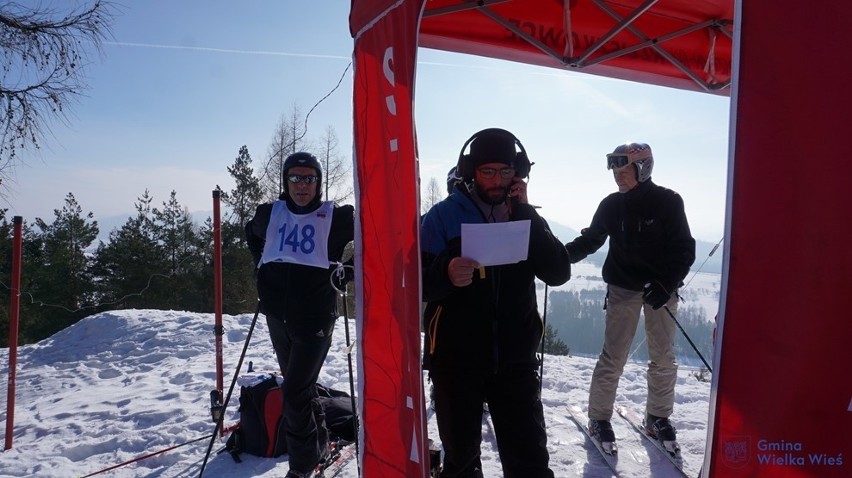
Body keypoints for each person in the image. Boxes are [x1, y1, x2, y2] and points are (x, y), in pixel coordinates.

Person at [420, 128, 571, 478]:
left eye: (505, 172)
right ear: (470, 172)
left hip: (516, 361)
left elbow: (558, 272)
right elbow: (417, 282)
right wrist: (446, 272)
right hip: (456, 362)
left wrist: (527, 214)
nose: (497, 180)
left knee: (530, 463)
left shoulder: (524, 215)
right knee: (461, 464)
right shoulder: (442, 216)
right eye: (488, 171)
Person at [564, 142, 695, 455]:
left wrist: (666, 284)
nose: (618, 176)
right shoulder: (611, 205)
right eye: (615, 170)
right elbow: (590, 240)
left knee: (663, 357)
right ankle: (599, 417)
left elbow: (683, 249)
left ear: (643, 168)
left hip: (660, 291)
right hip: (623, 288)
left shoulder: (668, 201)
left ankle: (658, 417)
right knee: (614, 356)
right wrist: (557, 257)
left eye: (624, 170)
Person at [245, 151, 354, 478]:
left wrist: (346, 271)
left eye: (309, 178)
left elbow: (374, 234)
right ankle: (317, 442)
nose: (302, 185)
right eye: (295, 177)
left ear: (318, 182)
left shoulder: (335, 218)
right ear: (286, 181)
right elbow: (251, 233)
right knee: (300, 389)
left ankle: (303, 466)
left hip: (316, 320)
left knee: (293, 391)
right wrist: (260, 268)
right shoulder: (270, 214)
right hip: (277, 317)